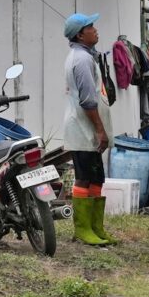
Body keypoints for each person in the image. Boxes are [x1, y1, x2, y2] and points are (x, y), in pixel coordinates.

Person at [63, 12, 116, 246]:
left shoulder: (85, 56)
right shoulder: (81, 60)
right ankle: (83, 229)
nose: (95, 30)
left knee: (97, 178)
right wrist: (100, 130)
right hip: (84, 130)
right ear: (80, 34)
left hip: (88, 130)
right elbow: (87, 100)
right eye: (90, 27)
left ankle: (96, 227)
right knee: (84, 178)